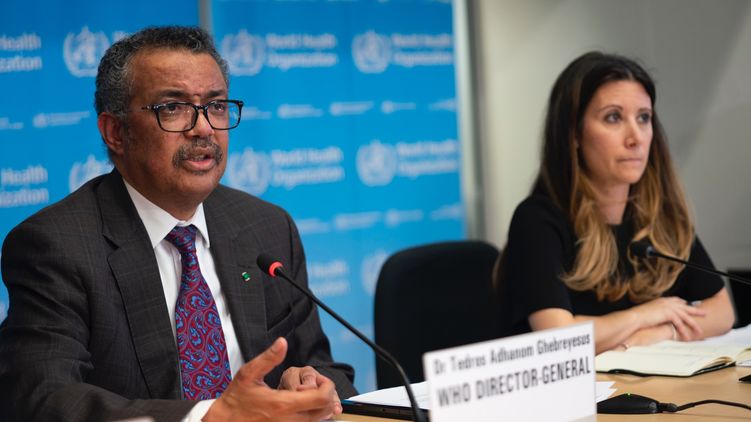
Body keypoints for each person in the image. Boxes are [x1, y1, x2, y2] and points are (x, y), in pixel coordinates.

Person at [0, 26, 356, 421]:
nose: (203, 128)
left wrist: (309, 383)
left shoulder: (266, 227)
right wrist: (209, 416)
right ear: (115, 132)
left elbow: (325, 368)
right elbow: (44, 398)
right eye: (173, 107)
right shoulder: (57, 246)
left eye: (216, 105)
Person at [495, 51, 734, 354]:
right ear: (573, 134)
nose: (635, 137)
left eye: (643, 118)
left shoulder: (660, 217)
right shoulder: (538, 220)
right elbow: (559, 338)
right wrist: (644, 315)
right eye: (613, 118)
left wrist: (662, 332)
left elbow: (722, 312)